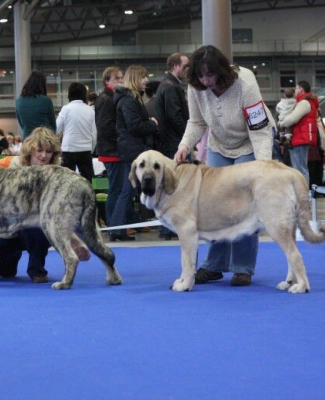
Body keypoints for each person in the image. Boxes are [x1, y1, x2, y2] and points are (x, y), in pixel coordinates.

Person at [174, 45, 275, 287]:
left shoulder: (245, 82)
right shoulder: (196, 87)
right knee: (212, 207)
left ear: (221, 70)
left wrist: (263, 167)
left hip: (249, 144)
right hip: (219, 146)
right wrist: (185, 145)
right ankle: (214, 265)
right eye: (200, 75)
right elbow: (196, 121)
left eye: (210, 74)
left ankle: (243, 268)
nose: (205, 80)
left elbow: (260, 131)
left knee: (244, 208)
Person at [0, 127, 89, 282]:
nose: (44, 156)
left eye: (49, 152)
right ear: (30, 150)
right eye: (39, 150)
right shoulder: (9, 164)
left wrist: (77, 242)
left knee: (40, 223)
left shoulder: (56, 174)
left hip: (34, 228)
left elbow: (57, 216)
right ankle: (8, 262)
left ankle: (37, 269)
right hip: (4, 231)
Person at [113, 65, 158, 239]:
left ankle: (118, 228)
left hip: (131, 149)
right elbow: (135, 126)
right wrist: (152, 124)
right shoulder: (129, 100)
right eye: (143, 77)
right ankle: (117, 229)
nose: (146, 80)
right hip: (133, 150)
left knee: (128, 191)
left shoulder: (130, 99)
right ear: (134, 79)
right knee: (128, 191)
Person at [95, 66, 134, 241]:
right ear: (107, 81)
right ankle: (114, 226)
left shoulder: (113, 97)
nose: (120, 80)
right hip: (112, 150)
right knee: (117, 189)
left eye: (121, 77)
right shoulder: (106, 99)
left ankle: (117, 226)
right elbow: (105, 127)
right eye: (116, 78)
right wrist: (123, 135)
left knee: (118, 189)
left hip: (115, 149)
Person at [154, 52, 190, 240]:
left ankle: (168, 228)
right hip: (173, 144)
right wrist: (188, 137)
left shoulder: (169, 85)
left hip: (172, 142)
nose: (188, 70)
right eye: (185, 66)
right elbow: (174, 116)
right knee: (174, 186)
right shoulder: (170, 87)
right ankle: (168, 228)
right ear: (175, 66)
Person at [278, 81, 320, 185]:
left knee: (300, 169)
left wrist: (281, 123)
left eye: (296, 88)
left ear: (301, 89)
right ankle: (302, 193)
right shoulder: (304, 101)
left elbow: (292, 119)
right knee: (300, 169)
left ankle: (303, 194)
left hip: (300, 139)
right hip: (300, 139)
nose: (295, 91)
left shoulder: (304, 102)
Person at [56, 82, 97, 182]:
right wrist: (91, 149)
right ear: (84, 94)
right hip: (85, 150)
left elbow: (56, 128)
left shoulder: (66, 109)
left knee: (66, 182)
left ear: (69, 94)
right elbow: (94, 134)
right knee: (88, 182)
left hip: (68, 149)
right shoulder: (90, 110)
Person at [15, 70, 57, 139]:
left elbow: (22, 124)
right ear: (42, 84)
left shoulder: (19, 101)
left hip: (28, 139)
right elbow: (53, 125)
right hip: (45, 138)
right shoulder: (46, 100)